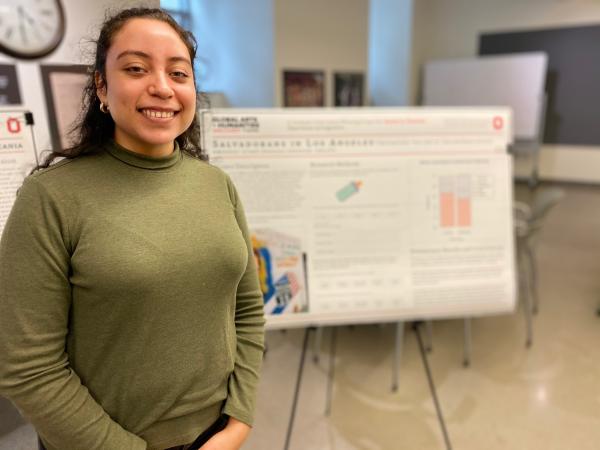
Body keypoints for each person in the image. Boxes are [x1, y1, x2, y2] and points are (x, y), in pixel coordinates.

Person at [0, 7, 265, 450]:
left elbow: (248, 311)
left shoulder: (216, 184)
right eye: (136, 68)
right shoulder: (51, 198)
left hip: (216, 438)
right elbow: (27, 365)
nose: (161, 87)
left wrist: (239, 418)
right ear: (102, 86)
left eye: (178, 73)